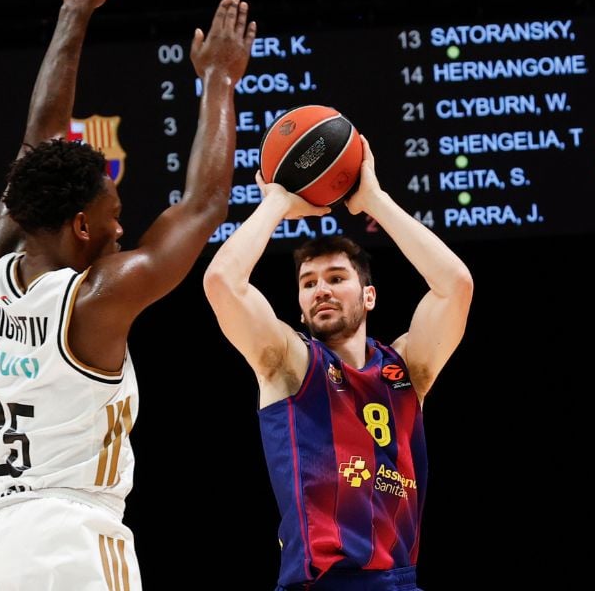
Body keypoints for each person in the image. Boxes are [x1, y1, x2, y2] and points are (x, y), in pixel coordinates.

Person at [0, 0, 256, 590]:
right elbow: (204, 206)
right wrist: (219, 78)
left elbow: (36, 141)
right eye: (114, 217)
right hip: (70, 537)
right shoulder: (94, 298)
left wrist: (75, 11)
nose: (122, 231)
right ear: (81, 226)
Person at [202, 137, 474, 590]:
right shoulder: (289, 364)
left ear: (369, 296)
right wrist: (276, 203)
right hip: (322, 583)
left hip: (398, 580)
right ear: (300, 306)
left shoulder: (407, 368)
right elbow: (222, 282)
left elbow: (456, 285)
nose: (321, 290)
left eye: (336, 277)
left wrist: (375, 201)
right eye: (308, 283)